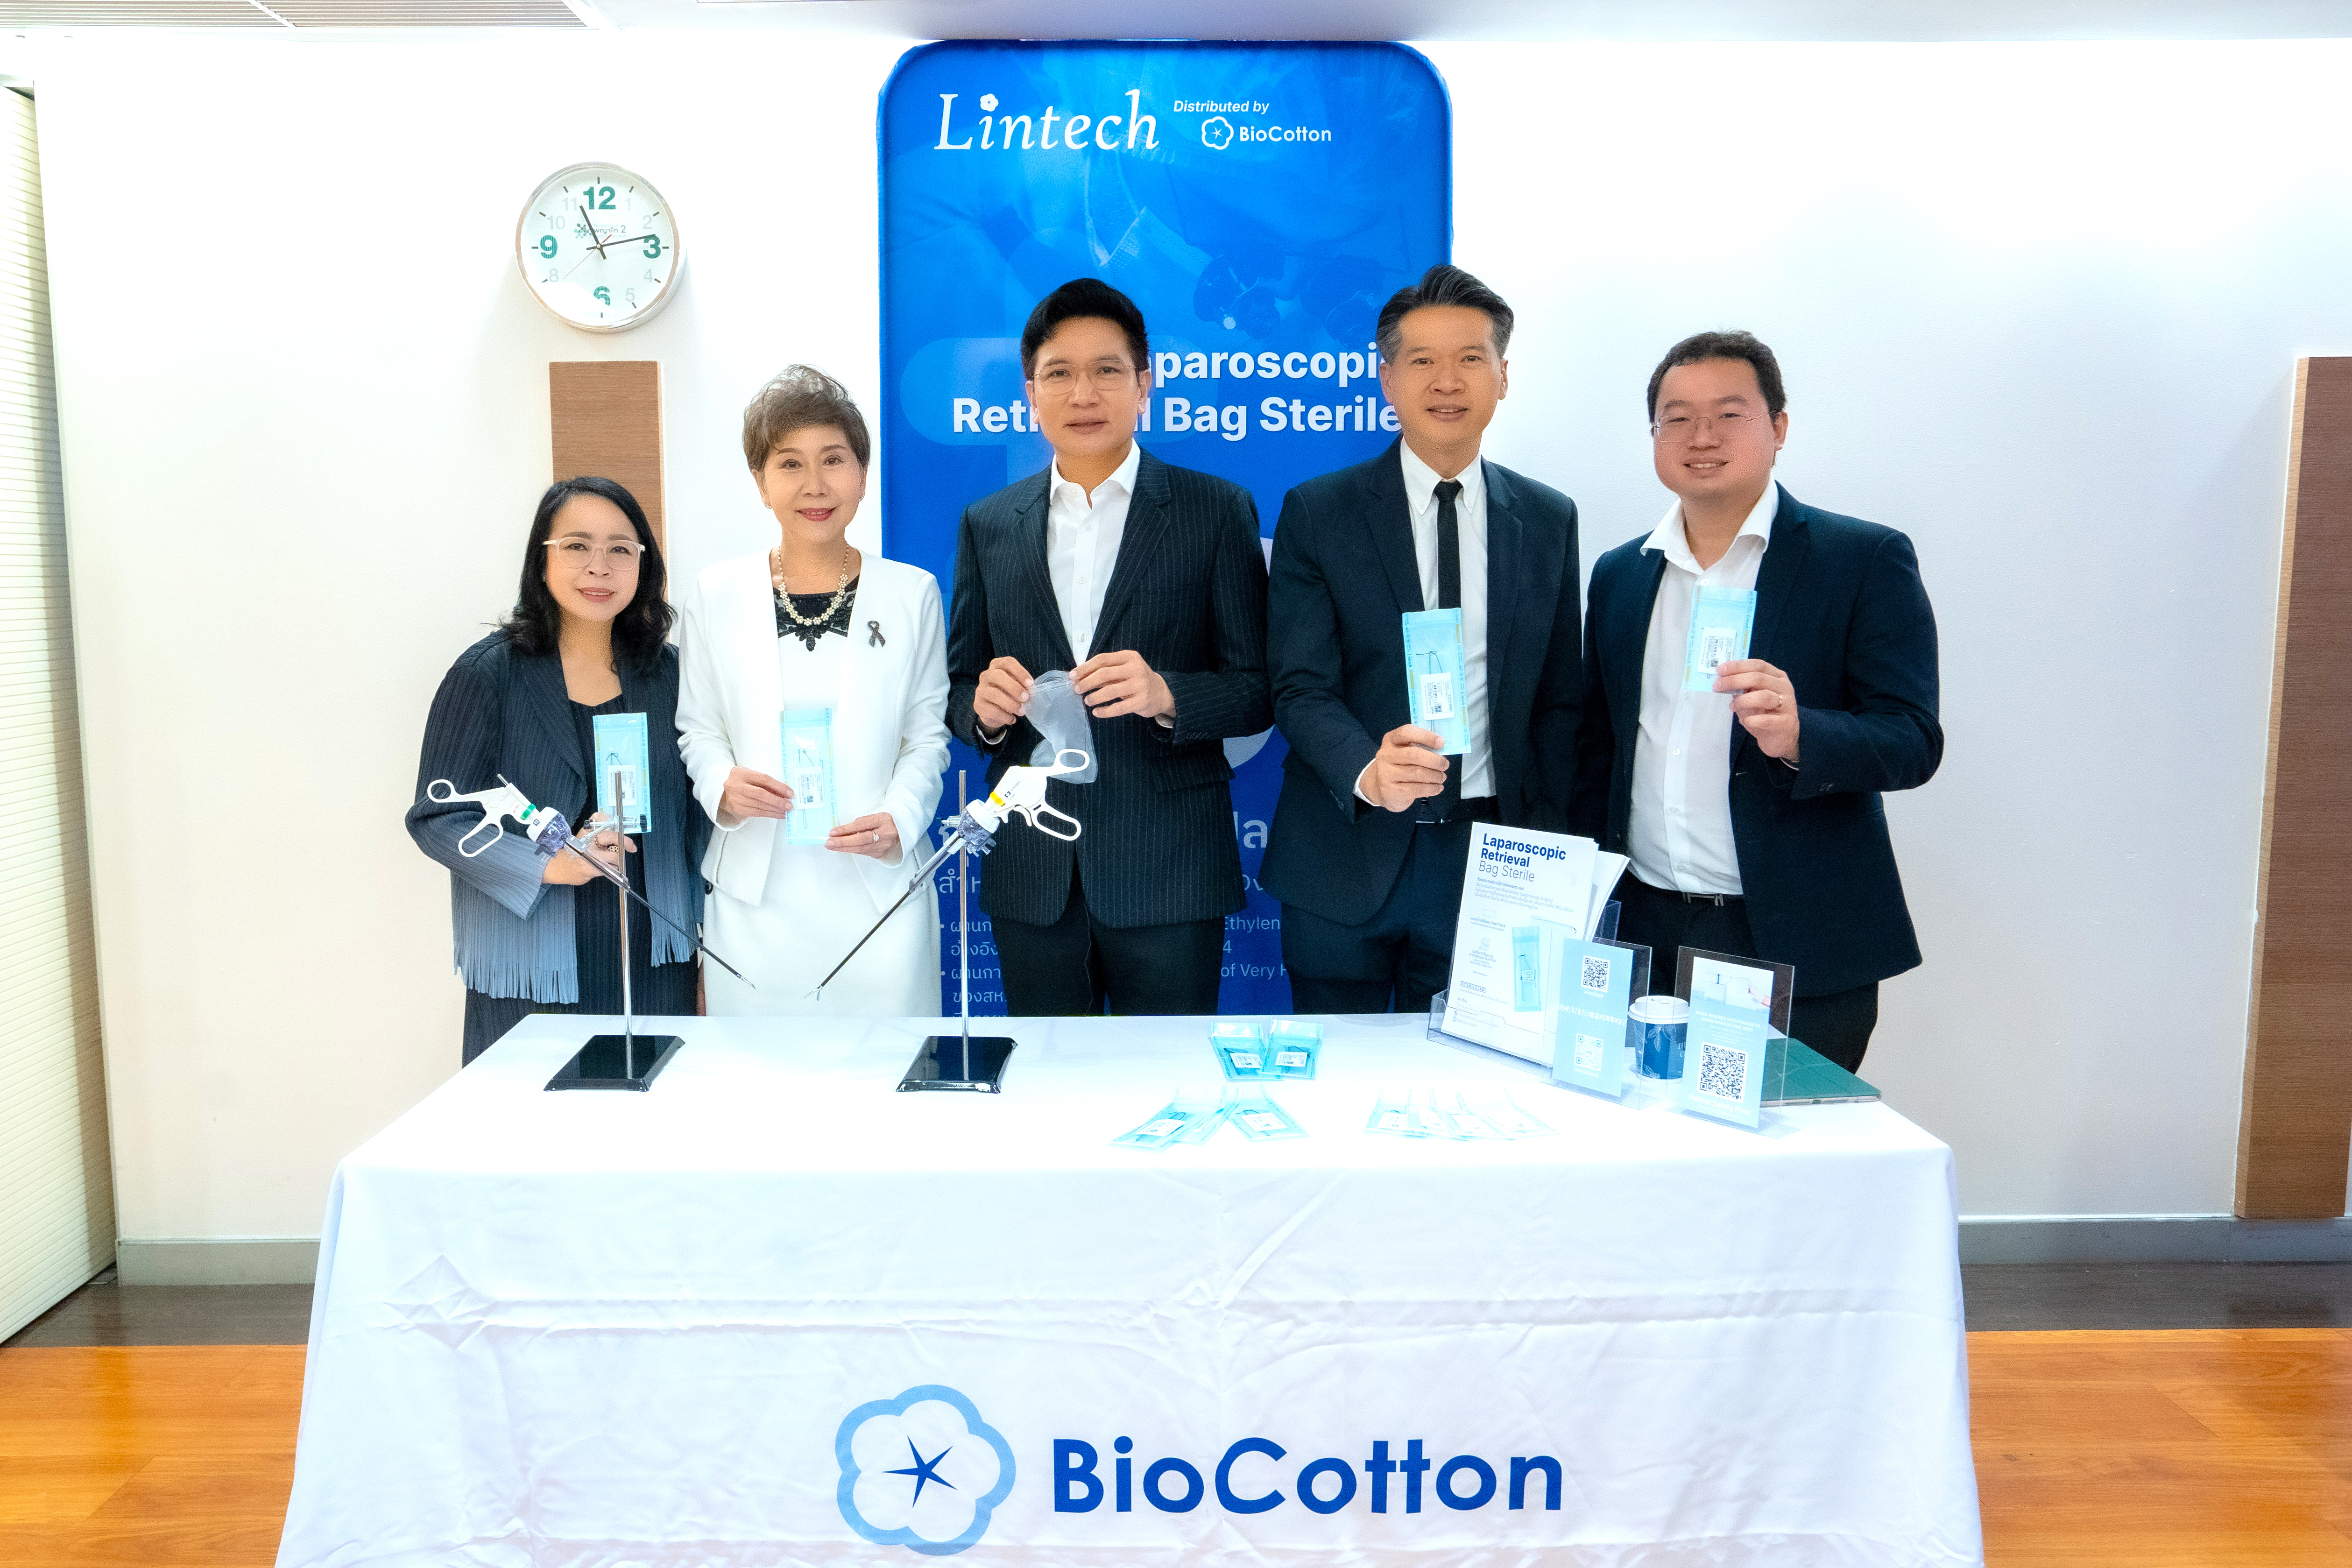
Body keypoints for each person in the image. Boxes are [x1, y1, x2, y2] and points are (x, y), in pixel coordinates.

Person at [1572, 331, 1941, 1072]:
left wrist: (1803, 735)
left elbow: (1911, 740)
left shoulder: (1860, 559)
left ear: (1778, 426)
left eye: (1728, 415)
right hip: (1641, 933)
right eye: (1677, 417)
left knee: (1785, 1139)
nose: (1701, 436)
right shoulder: (1620, 574)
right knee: (1639, 1136)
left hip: (1789, 939)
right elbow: (1596, 746)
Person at [1263, 264, 1583, 1013]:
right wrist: (1366, 770)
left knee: (1470, 1074)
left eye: (1470, 358)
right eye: (1422, 361)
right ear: (1387, 379)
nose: (1447, 381)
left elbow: (1560, 699)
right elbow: (1300, 686)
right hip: (1346, 849)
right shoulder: (1319, 512)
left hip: (1492, 858)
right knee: (1338, 1071)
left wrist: (1554, 851)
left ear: (1503, 376)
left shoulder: (1548, 519)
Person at [946, 277, 1271, 1016]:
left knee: (1168, 1072)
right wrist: (983, 712)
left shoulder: (1215, 510)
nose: (1083, 393)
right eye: (1060, 373)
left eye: (1107, 371)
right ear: (1031, 393)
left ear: (1144, 385)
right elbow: (959, 687)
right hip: (1035, 868)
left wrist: (1167, 693)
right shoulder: (989, 523)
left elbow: (1258, 688)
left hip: (1169, 865)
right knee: (1047, 1073)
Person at [676, 366, 949, 1016]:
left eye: (834, 460)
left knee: (890, 1067)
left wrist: (901, 818)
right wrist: (721, 785)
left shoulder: (912, 593)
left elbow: (927, 736)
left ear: (862, 474)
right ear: (761, 483)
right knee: (757, 1069)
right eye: (790, 464)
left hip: (878, 894)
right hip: (755, 898)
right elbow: (699, 728)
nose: (815, 485)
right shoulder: (716, 594)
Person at [408, 476, 705, 1066]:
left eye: (621, 549)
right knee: (533, 1122)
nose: (600, 566)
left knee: (655, 1119)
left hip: (654, 964)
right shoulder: (487, 674)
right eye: (576, 546)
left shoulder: (670, 675)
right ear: (540, 559)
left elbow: (699, 824)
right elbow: (436, 817)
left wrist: (708, 959)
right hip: (532, 974)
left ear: (644, 565)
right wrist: (549, 865)